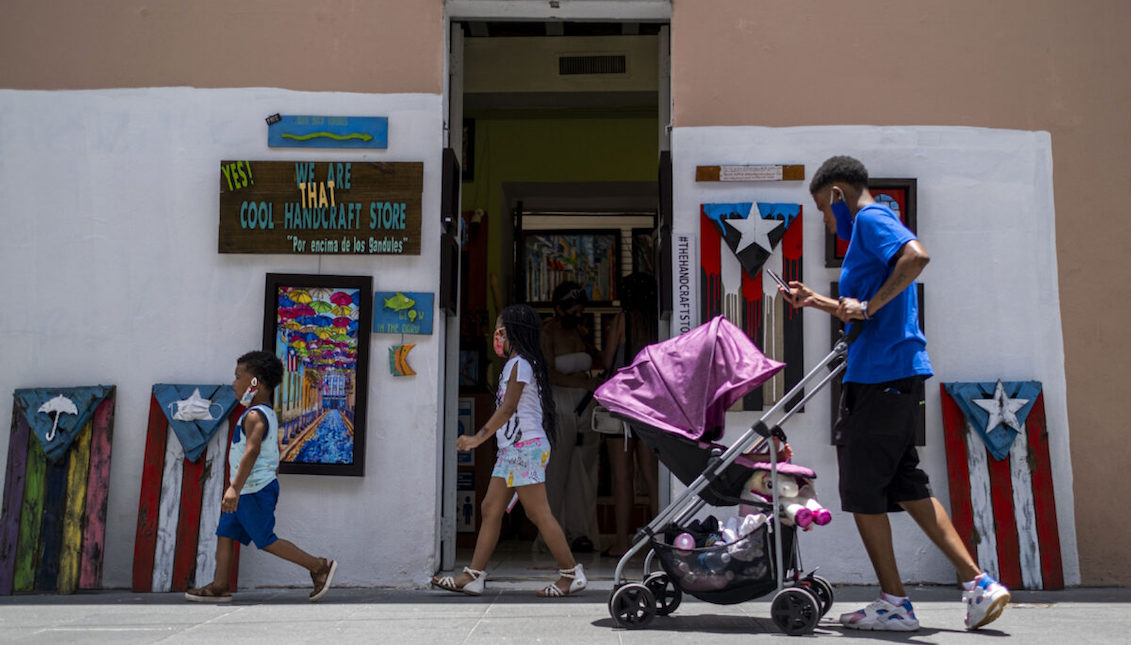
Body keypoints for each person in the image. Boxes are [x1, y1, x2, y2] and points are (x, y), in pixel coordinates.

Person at [779, 156, 1010, 631]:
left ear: (838, 194)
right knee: (906, 484)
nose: (828, 220)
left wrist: (869, 303)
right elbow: (863, 310)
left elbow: (917, 257)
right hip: (898, 376)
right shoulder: (875, 221)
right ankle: (979, 585)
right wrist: (818, 300)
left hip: (879, 378)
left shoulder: (870, 218)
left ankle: (893, 603)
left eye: (825, 209)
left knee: (862, 492)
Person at [431, 304, 587, 597]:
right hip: (513, 450)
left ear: (514, 332)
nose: (497, 335)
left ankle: (571, 573)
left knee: (538, 513)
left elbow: (508, 408)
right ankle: (474, 575)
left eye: (501, 329)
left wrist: (477, 438)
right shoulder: (516, 364)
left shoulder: (521, 365)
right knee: (491, 508)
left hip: (524, 447)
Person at [186, 351, 336, 603]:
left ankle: (319, 566)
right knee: (226, 533)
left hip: (253, 490)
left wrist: (234, 488)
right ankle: (220, 584)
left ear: (254, 383)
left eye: (238, 377)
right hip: (247, 488)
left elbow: (252, 451)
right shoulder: (260, 413)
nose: (234, 383)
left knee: (265, 539)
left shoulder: (255, 416)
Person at [597, 272, 660, 558]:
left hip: (623, 403)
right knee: (651, 474)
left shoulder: (624, 319)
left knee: (622, 476)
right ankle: (660, 537)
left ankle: (623, 542)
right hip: (652, 404)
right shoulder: (657, 320)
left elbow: (608, 360)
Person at [540, 282, 602, 553]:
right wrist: (582, 384)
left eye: (581, 311)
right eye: (573, 311)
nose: (578, 315)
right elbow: (547, 373)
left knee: (583, 471)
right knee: (556, 470)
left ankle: (581, 531)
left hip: (585, 406)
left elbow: (596, 360)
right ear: (558, 309)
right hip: (559, 403)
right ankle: (552, 532)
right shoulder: (547, 333)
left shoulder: (580, 331)